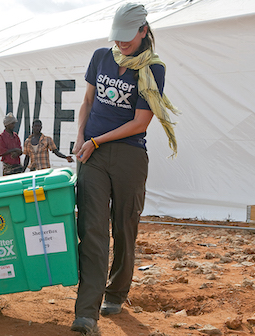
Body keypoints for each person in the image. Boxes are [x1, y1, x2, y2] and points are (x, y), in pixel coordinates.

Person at [71, 3, 178, 335]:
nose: (120, 45)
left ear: (143, 31)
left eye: (127, 39)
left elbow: (140, 122)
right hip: (92, 154)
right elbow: (88, 102)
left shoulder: (153, 69)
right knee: (92, 229)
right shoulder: (101, 57)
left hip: (129, 156)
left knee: (124, 228)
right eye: (117, 39)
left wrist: (98, 140)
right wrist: (81, 138)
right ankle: (87, 312)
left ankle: (116, 292)